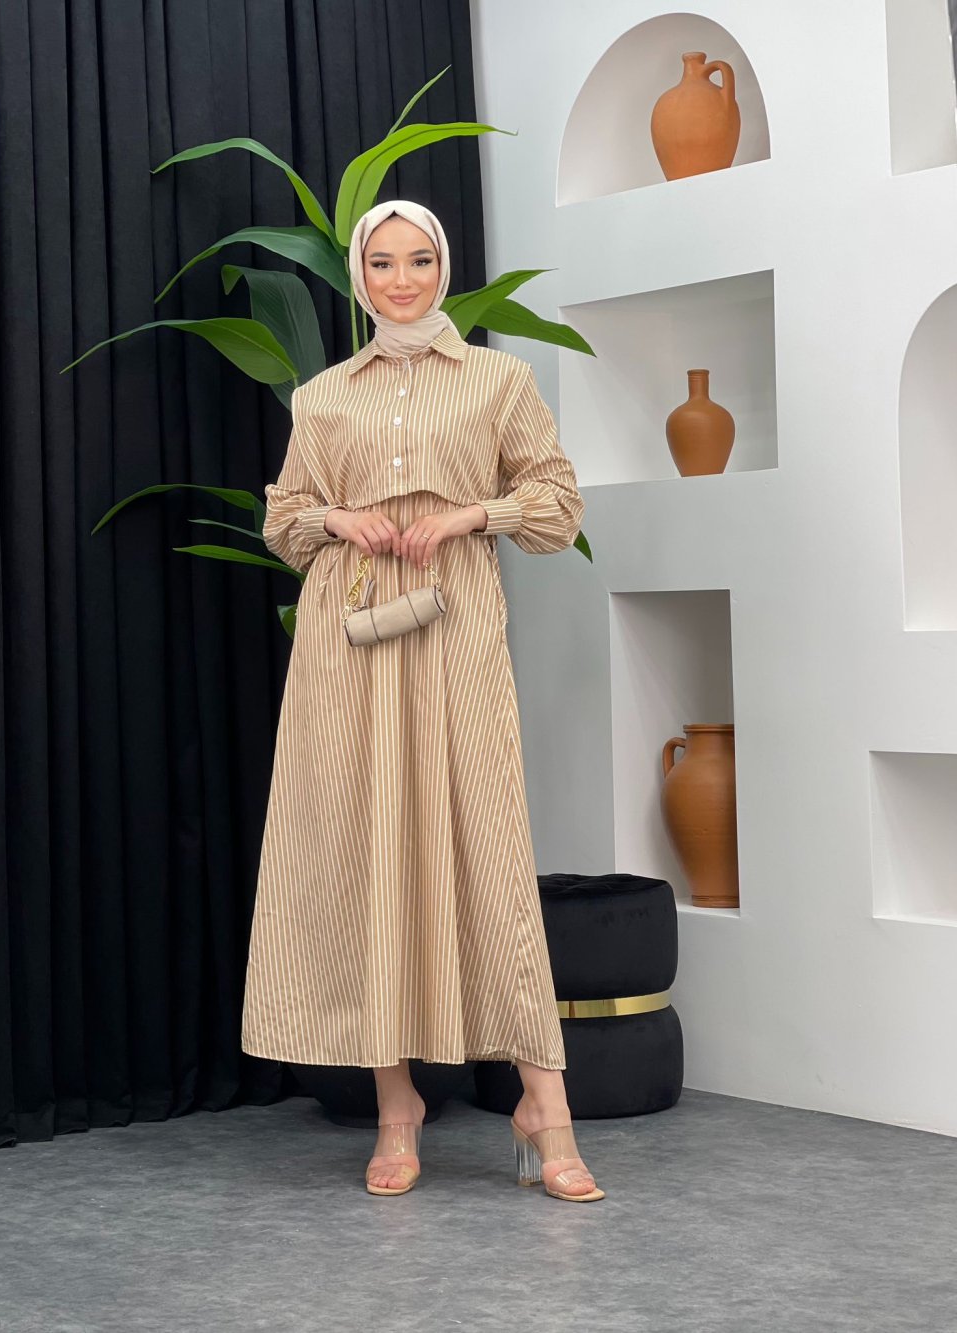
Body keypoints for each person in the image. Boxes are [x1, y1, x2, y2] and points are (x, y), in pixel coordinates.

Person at [241, 198, 604, 1203]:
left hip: (455, 628)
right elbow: (283, 519)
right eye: (382, 263)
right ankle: (394, 1109)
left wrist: (468, 514)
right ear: (359, 275)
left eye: (419, 260)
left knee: (487, 848)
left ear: (443, 268)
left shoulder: (497, 380)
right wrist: (337, 519)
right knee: (370, 848)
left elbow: (556, 505)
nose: (401, 280)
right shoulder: (323, 397)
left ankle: (546, 1105)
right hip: (348, 640)